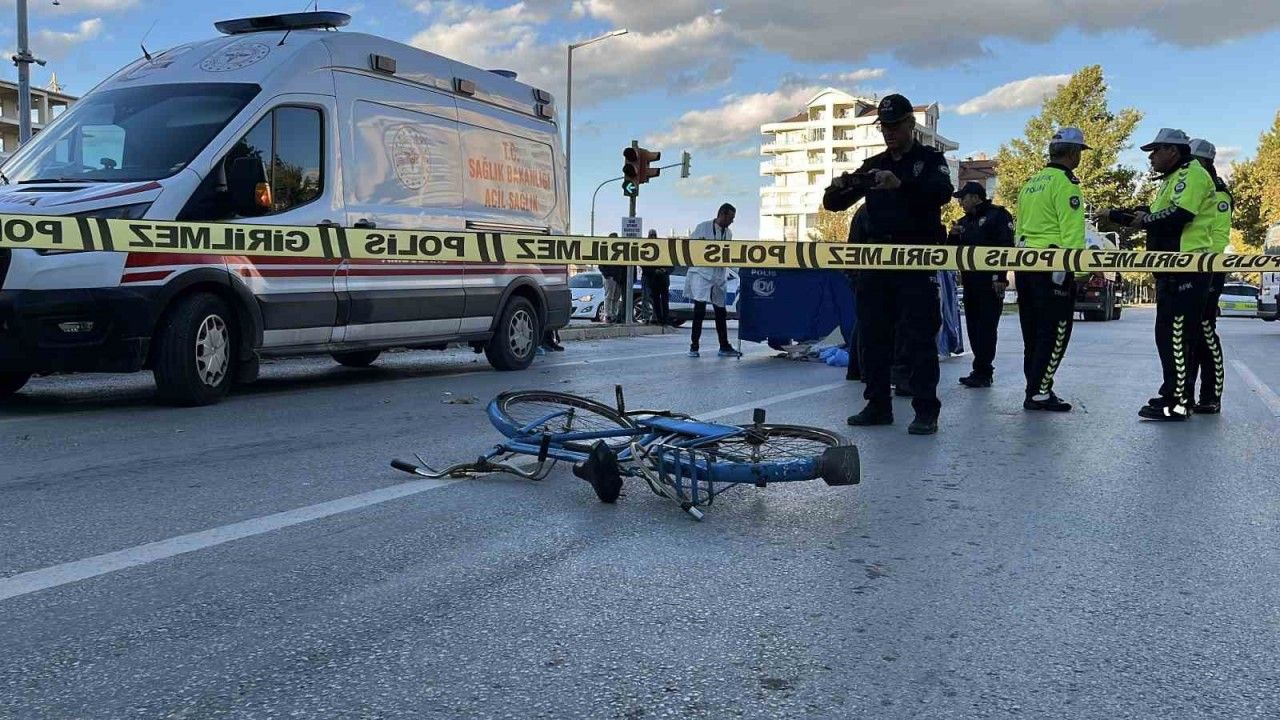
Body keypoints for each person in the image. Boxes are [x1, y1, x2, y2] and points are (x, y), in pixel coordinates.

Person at [823, 93, 952, 435]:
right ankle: (877, 405)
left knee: (919, 336)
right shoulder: (874, 164)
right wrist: (838, 187)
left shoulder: (929, 160)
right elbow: (834, 204)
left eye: (895, 125)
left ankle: (926, 410)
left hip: (914, 260)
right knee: (872, 335)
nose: (889, 132)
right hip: (876, 262)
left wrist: (901, 185)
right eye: (884, 127)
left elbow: (941, 193)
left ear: (911, 123)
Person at [1107, 128, 1216, 421]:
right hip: (1171, 270)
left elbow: (1180, 214)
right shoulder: (1172, 179)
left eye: (1156, 151)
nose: (1151, 157)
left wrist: (1145, 221)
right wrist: (1122, 216)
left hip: (1187, 268)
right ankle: (1174, 394)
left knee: (1178, 337)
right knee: (1168, 337)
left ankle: (1178, 402)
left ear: (1173, 151)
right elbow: (1154, 214)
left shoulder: (1191, 174)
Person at [1012, 128, 1091, 413]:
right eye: (1080, 152)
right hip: (1054, 266)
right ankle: (1040, 392)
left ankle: (1035, 388)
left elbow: (1020, 229)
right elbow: (1072, 232)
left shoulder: (1031, 183)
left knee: (1032, 333)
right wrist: (1078, 272)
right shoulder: (1065, 184)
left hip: (1026, 263)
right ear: (1073, 153)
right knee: (1056, 331)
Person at [948, 181, 1015, 388]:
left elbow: (1006, 247)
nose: (960, 202)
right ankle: (979, 369)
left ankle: (984, 371)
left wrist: (1000, 277)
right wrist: (953, 235)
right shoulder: (964, 222)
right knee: (973, 327)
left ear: (976, 197)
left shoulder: (998, 216)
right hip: (970, 281)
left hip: (990, 282)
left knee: (987, 327)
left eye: (963, 198)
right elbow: (950, 252)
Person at [1186, 138, 1232, 414]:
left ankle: (1211, 395)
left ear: (1203, 162)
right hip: (1191, 269)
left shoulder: (1218, 195)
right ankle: (1186, 394)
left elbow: (1218, 237)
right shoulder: (1194, 188)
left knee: (1205, 331)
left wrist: (1206, 266)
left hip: (1209, 270)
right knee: (1189, 334)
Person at [686, 203, 742, 358]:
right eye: (730, 218)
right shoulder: (702, 228)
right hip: (702, 273)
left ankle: (724, 346)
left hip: (718, 275)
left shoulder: (728, 233)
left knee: (720, 311)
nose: (732, 221)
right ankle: (694, 346)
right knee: (699, 310)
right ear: (722, 214)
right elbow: (690, 248)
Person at [641, 229, 671, 325]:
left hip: (663, 280)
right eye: (651, 235)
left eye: (654, 235)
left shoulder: (663, 250)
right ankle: (656, 319)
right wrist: (654, 271)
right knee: (653, 300)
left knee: (664, 301)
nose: (653, 237)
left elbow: (671, 265)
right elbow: (644, 266)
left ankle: (665, 320)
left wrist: (665, 270)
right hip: (652, 279)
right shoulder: (646, 249)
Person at [600, 233, 626, 322]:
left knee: (616, 297)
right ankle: (608, 315)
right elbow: (601, 265)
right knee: (609, 296)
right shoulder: (605, 250)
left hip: (617, 277)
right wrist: (607, 275)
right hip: (609, 277)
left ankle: (614, 314)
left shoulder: (619, 251)